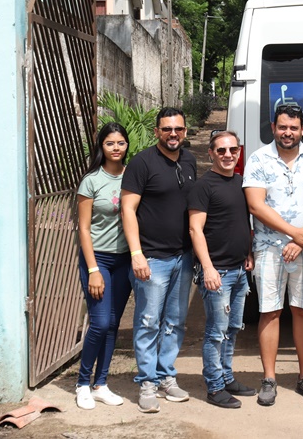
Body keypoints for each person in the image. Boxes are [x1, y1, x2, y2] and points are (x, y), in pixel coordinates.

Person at [243, 104, 303, 407]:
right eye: (282, 127)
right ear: (273, 127)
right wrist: (294, 233)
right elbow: (256, 205)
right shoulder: (258, 158)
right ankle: (269, 379)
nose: (287, 132)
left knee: (302, 310)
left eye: (293, 127)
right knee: (270, 311)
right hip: (268, 248)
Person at [120, 107, 198, 413]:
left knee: (175, 321)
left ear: (185, 131)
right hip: (152, 258)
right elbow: (127, 210)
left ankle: (167, 376)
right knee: (149, 321)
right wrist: (137, 253)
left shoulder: (190, 161)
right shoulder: (142, 163)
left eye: (178, 128)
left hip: (183, 256)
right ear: (157, 132)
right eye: (167, 129)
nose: (173, 134)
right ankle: (147, 382)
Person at [188, 130, 256, 409]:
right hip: (218, 273)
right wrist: (208, 269)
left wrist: (248, 253)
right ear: (211, 154)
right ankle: (215, 387)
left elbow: (241, 222)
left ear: (239, 152)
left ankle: (227, 377)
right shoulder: (203, 186)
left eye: (232, 150)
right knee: (216, 332)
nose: (228, 155)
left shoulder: (241, 182)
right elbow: (195, 229)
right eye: (221, 151)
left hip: (240, 270)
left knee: (232, 329)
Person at [74, 122, 132, 410]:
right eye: (110, 143)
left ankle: (101, 384)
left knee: (113, 325)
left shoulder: (133, 176)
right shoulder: (91, 181)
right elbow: (83, 229)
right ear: (102, 146)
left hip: (124, 259)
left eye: (121, 143)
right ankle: (82, 383)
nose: (116, 148)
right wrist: (94, 269)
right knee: (100, 322)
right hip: (98, 259)